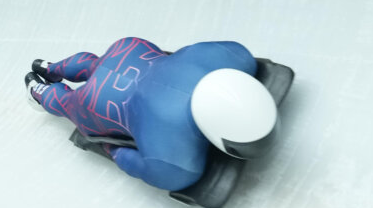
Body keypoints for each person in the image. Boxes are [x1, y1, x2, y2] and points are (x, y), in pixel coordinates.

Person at [25, 36, 279, 191]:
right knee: (70, 103)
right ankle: (40, 92)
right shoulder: (177, 164)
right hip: (102, 102)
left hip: (132, 50)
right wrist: (113, 150)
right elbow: (147, 168)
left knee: (95, 63)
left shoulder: (234, 56)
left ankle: (52, 67)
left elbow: (230, 49)